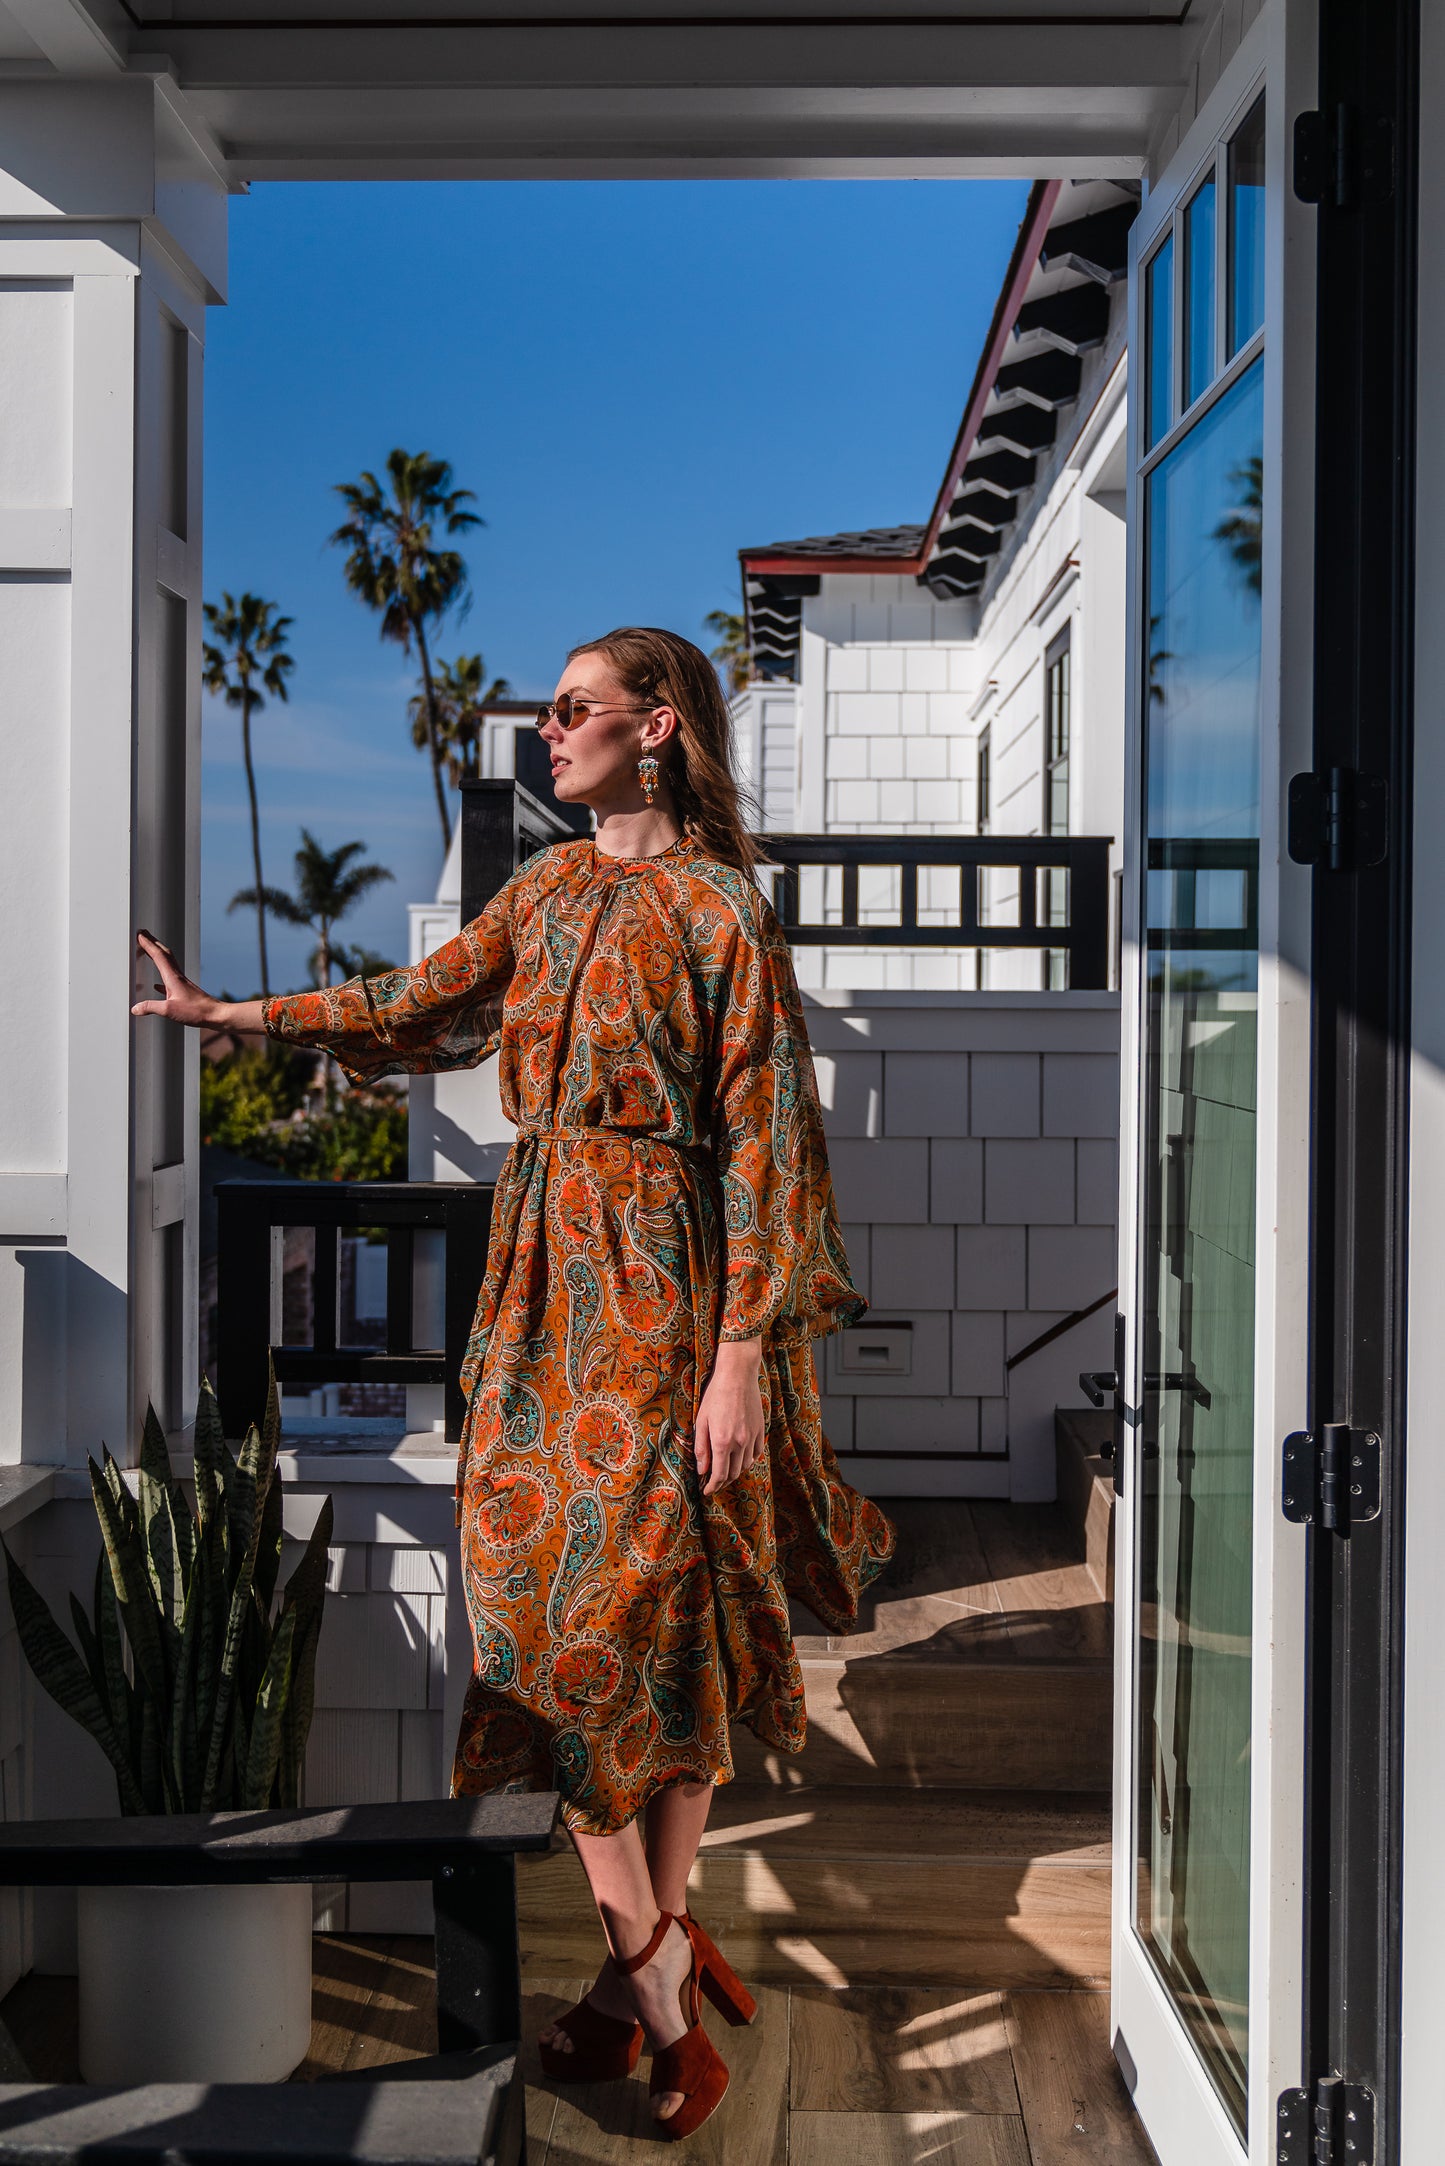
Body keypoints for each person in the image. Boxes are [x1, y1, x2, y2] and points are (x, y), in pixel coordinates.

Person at [135, 625, 894, 2139]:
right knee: (544, 1615)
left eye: (572, 710)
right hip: (540, 1286)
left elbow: (763, 1143)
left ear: (656, 724)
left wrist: (739, 1353)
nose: (545, 734)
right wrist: (235, 1016)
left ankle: (644, 1982)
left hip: (669, 1294)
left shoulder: (721, 912)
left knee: (647, 1617)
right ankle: (664, 1968)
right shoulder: (545, 890)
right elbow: (416, 1003)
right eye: (547, 714)